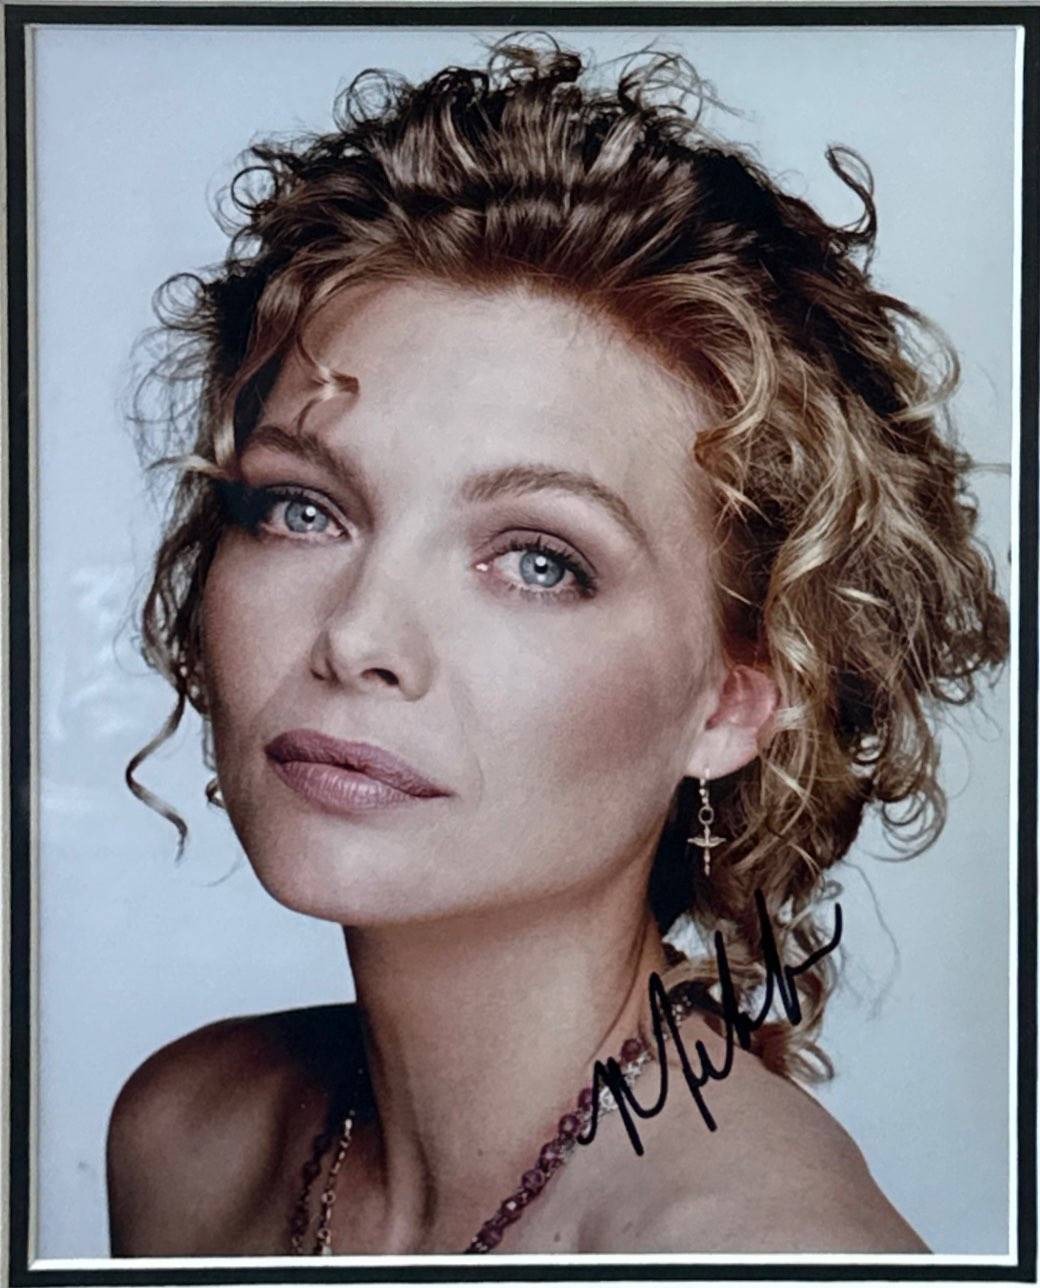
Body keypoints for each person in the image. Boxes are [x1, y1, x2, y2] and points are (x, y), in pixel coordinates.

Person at [106, 39, 1008, 1256]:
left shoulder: (746, 1256)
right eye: (303, 509)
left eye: (538, 560)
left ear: (736, 698)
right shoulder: (190, 1136)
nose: (358, 636)